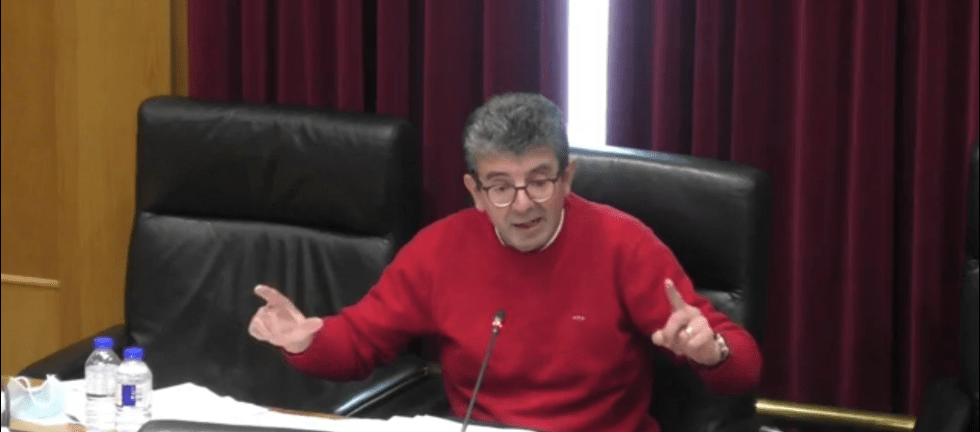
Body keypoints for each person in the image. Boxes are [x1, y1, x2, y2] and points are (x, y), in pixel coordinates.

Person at [248, 92, 762, 432]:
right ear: (474, 191)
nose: (522, 204)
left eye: (539, 181)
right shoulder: (438, 251)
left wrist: (710, 351)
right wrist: (305, 341)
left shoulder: (624, 245)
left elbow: (741, 369)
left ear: (567, 178)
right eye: (500, 187)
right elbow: (359, 342)